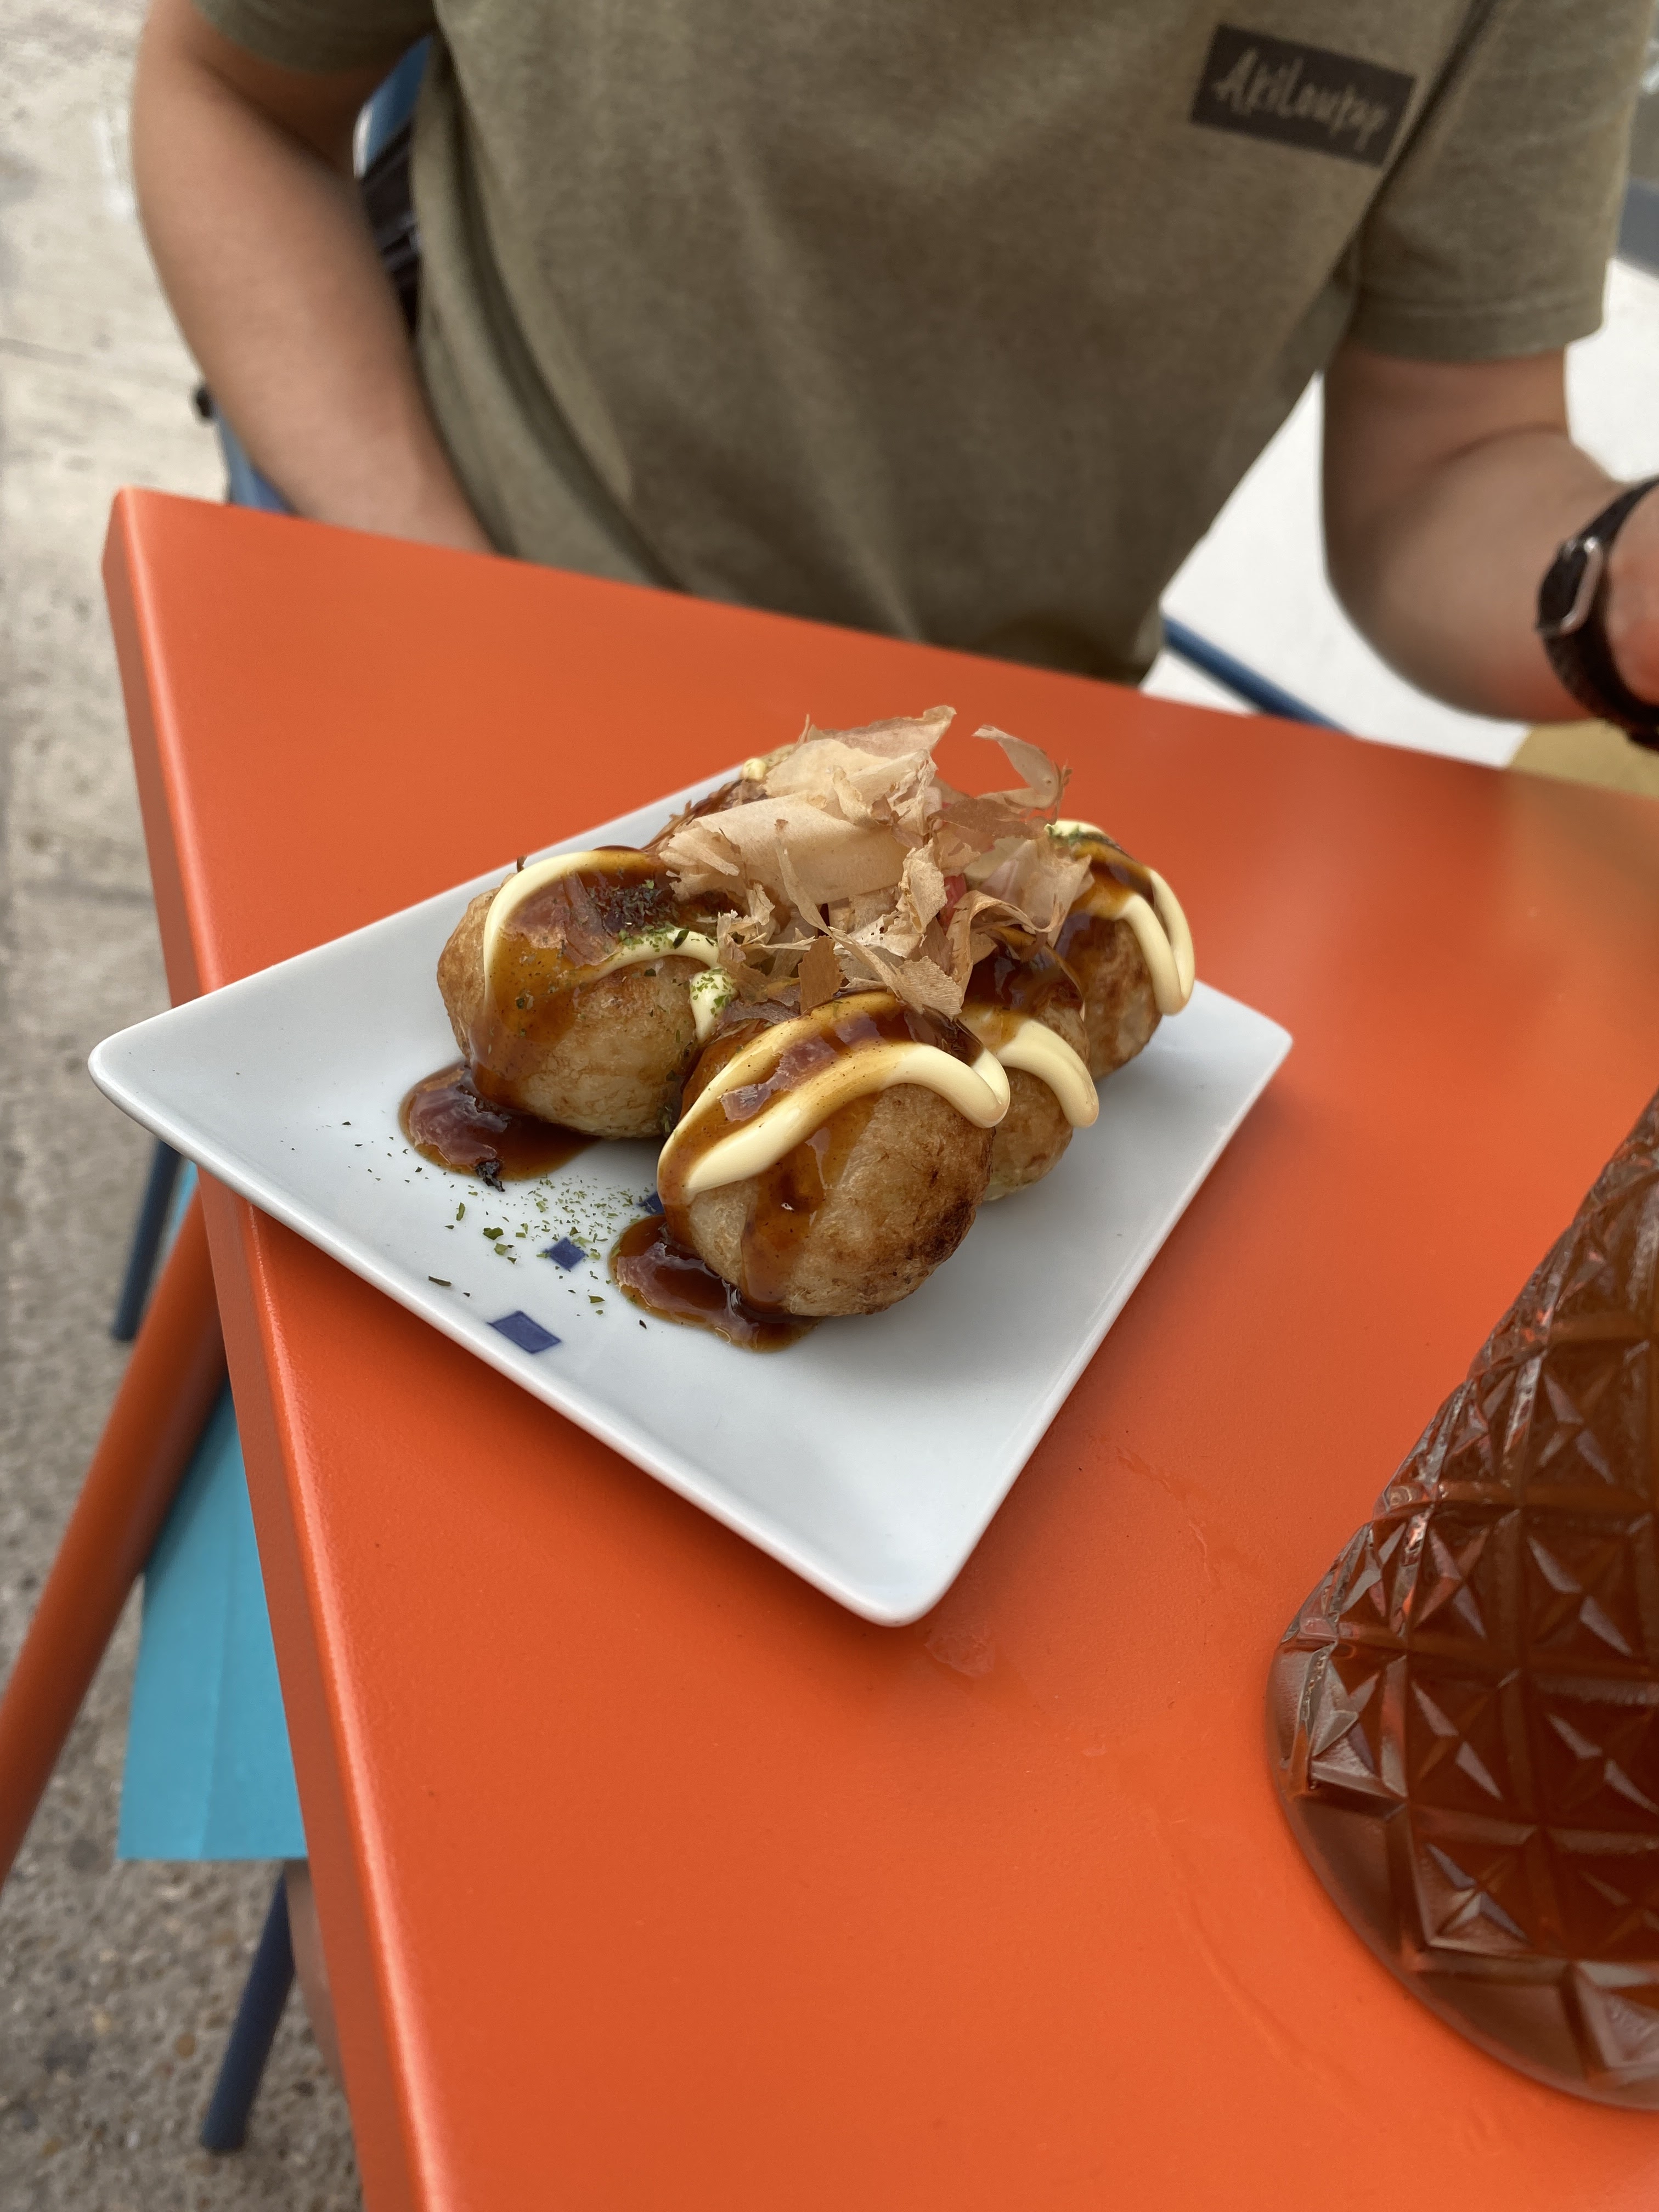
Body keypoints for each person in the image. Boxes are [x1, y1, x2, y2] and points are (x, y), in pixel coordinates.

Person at [125, 0, 1659, 2080]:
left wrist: (1610, 583)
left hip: (1001, 844)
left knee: (978, 1905)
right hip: (462, 600)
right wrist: (452, 605)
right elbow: (228, 94)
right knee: (429, 1845)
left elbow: (1454, 459)